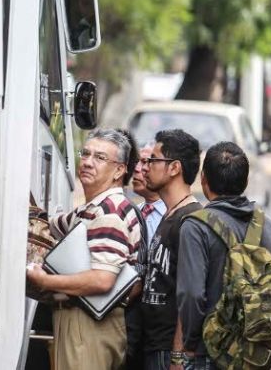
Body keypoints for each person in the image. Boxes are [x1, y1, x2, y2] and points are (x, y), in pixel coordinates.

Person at [26, 128, 141, 370]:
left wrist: (45, 281)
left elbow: (102, 280)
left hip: (88, 325)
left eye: (100, 158)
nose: (88, 162)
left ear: (119, 170)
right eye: (86, 154)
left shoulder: (109, 213)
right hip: (82, 322)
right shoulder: (92, 208)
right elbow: (54, 223)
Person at [177, 141, 271, 370]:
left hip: (210, 353)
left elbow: (192, 294)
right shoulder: (269, 226)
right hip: (256, 354)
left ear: (203, 179)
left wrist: (189, 344)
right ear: (245, 181)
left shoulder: (196, 226)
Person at [138, 129, 202, 370]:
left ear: (174, 168)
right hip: (153, 346)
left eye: (153, 160)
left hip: (168, 353)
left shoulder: (190, 219)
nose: (145, 167)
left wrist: (178, 355)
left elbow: (190, 294)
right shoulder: (169, 214)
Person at [125, 141, 167, 370]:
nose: (139, 170)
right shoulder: (133, 213)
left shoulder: (175, 218)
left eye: (147, 162)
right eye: (138, 162)